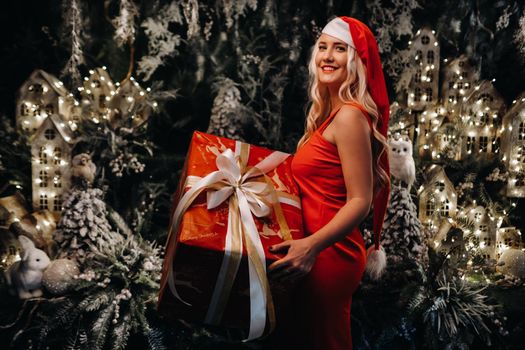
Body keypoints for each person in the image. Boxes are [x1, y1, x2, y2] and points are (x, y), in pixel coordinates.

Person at [267, 16, 391, 349]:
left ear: (356, 62)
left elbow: (360, 200)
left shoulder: (350, 116)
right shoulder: (328, 118)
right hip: (310, 253)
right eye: (322, 47)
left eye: (339, 49)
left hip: (327, 255)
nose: (328, 56)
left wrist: (311, 246)